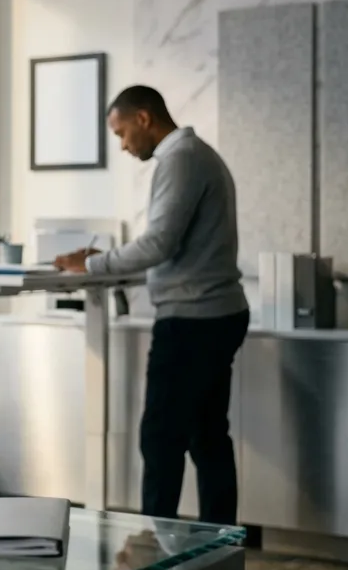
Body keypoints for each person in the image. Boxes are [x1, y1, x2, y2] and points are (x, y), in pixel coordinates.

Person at [55, 85, 248, 525]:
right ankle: (218, 548)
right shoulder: (196, 155)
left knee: (161, 439)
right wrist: (105, 264)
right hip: (217, 313)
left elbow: (160, 242)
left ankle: (154, 558)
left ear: (144, 118)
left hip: (193, 320)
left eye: (122, 133)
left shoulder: (180, 159)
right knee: (207, 437)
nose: (122, 146)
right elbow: (177, 247)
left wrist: (94, 265)